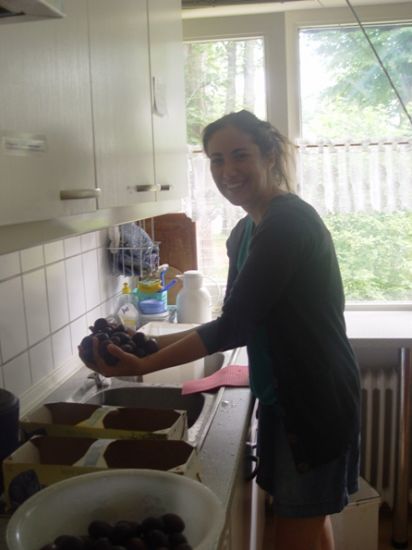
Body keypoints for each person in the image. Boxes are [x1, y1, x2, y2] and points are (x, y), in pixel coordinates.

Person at [80, 110, 361, 550]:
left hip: (313, 401)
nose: (227, 170)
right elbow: (238, 319)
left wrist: (144, 363)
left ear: (269, 156)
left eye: (240, 155)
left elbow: (233, 327)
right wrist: (146, 345)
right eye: (216, 159)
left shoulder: (288, 223)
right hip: (283, 397)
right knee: (306, 518)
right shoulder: (245, 231)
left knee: (297, 528)